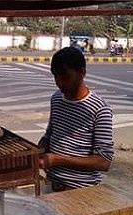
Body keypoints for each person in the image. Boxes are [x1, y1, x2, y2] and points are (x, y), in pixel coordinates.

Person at [38, 47, 114, 191]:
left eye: (65, 77)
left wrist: (57, 159)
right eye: (56, 76)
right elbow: (49, 135)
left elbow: (104, 162)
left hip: (81, 190)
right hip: (52, 185)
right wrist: (37, 151)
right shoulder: (56, 99)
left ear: (82, 73)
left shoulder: (99, 109)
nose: (59, 83)